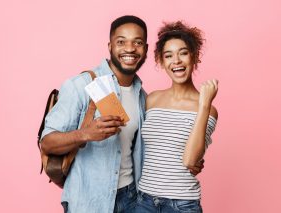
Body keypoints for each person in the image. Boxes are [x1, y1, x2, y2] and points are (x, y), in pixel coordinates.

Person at [40, 15, 148, 213]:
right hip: (88, 201)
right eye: (121, 41)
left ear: (146, 49)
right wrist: (85, 134)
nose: (130, 49)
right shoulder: (80, 85)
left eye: (138, 42)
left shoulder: (142, 96)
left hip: (132, 199)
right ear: (110, 46)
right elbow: (46, 142)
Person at [135, 21, 218, 213]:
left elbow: (190, 160)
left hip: (181, 205)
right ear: (161, 62)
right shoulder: (152, 99)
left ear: (194, 57)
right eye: (168, 55)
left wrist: (204, 104)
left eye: (183, 52)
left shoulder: (207, 108)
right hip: (144, 201)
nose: (177, 61)